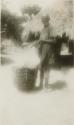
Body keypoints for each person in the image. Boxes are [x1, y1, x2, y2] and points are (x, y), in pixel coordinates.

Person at [39, 14, 54, 89]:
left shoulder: (51, 28)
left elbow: (54, 41)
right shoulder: (42, 29)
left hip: (48, 51)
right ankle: (41, 85)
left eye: (45, 20)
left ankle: (46, 85)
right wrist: (38, 42)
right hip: (42, 51)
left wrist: (43, 40)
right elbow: (41, 40)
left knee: (47, 68)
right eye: (42, 21)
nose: (43, 22)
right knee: (41, 67)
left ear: (48, 20)